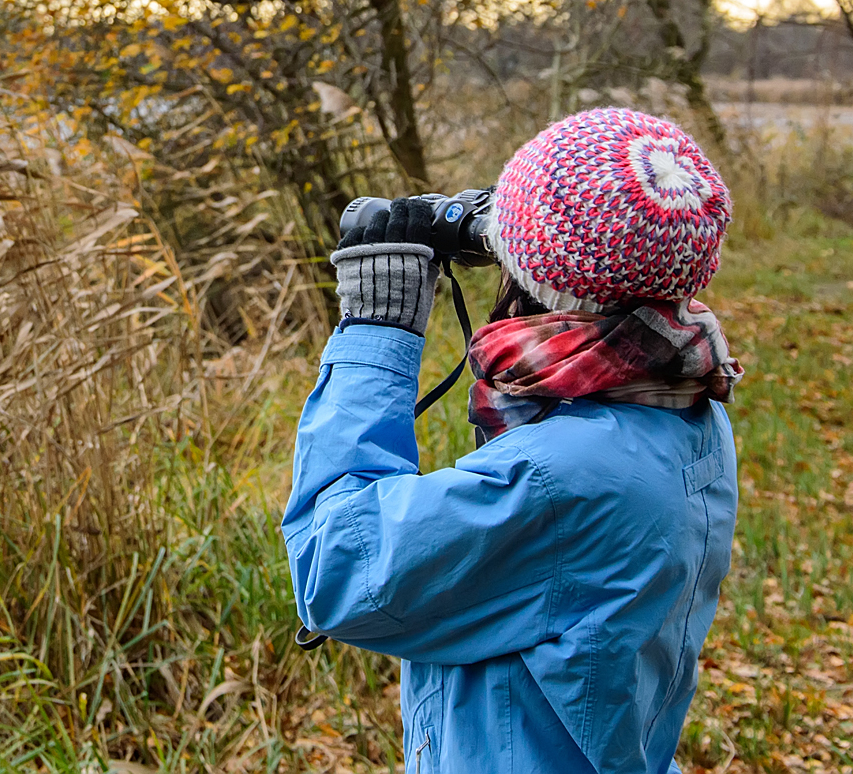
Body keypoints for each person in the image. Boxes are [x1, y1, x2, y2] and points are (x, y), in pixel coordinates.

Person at [285, 108, 742, 773]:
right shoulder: (688, 399)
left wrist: (375, 332)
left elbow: (338, 571)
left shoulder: (566, 476)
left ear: (539, 279)